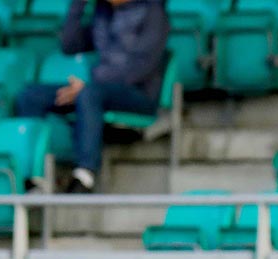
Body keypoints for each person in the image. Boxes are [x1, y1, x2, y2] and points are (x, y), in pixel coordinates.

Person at [12, 0, 168, 193]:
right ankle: (34, 176)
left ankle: (85, 174)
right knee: (31, 96)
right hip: (96, 90)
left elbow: (141, 67)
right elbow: (69, 45)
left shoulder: (153, 11)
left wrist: (89, 87)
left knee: (89, 94)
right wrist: (78, 5)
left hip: (138, 94)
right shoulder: (102, 11)